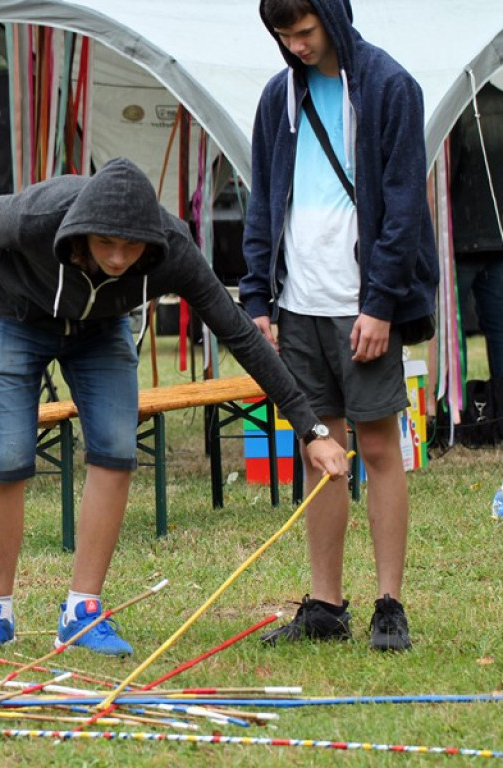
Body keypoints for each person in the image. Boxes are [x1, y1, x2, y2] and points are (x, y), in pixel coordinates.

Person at [0, 156, 348, 657]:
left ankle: (82, 613)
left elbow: (240, 333)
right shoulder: (34, 217)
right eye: (106, 244)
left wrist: (312, 430)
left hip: (100, 328)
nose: (117, 258)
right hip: (16, 315)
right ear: (82, 233)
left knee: (115, 446)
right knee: (6, 456)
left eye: (130, 247)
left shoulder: (172, 248)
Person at [239, 0, 439, 651]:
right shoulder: (277, 97)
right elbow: (263, 199)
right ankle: (325, 606)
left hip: (363, 304)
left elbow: (407, 202)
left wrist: (380, 304)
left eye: (304, 30)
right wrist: (257, 300)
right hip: (297, 302)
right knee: (319, 453)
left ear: (332, 14)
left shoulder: (389, 86)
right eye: (283, 35)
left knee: (379, 448)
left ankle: (390, 605)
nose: (295, 45)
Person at [450, 80, 503, 380]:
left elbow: (447, 175)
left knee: (451, 337)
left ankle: (457, 416)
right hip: (497, 237)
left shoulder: (457, 107)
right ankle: (497, 413)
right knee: (499, 333)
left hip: (460, 239)